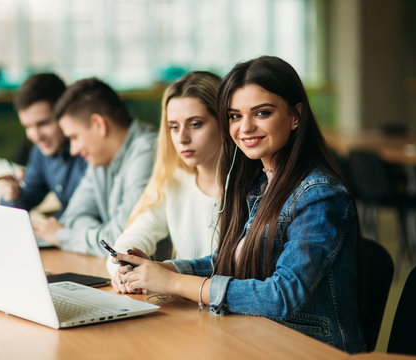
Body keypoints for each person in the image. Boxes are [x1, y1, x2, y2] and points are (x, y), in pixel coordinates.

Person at [112, 56, 365, 353]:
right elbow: (228, 261)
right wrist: (163, 269)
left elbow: (281, 295)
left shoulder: (319, 194)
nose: (245, 127)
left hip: (308, 348)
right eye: (234, 116)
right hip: (257, 336)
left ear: (295, 115)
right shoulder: (260, 182)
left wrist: (175, 283)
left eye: (262, 113)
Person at [107, 71, 223, 293]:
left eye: (195, 124)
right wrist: (124, 269)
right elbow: (130, 239)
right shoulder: (174, 181)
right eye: (174, 127)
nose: (182, 138)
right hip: (185, 310)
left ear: (224, 122)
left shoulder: (252, 190)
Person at [33, 77, 157, 256]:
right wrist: (100, 236)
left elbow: (119, 243)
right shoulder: (101, 158)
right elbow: (73, 217)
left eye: (74, 137)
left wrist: (62, 236)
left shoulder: (148, 151)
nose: (74, 150)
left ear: (99, 124)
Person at [0, 73, 87, 220]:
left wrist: (54, 224)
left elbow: (89, 213)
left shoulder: (88, 150)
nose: (36, 136)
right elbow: (27, 200)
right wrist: (12, 196)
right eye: (28, 126)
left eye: (43, 123)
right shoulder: (41, 152)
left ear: (64, 113)